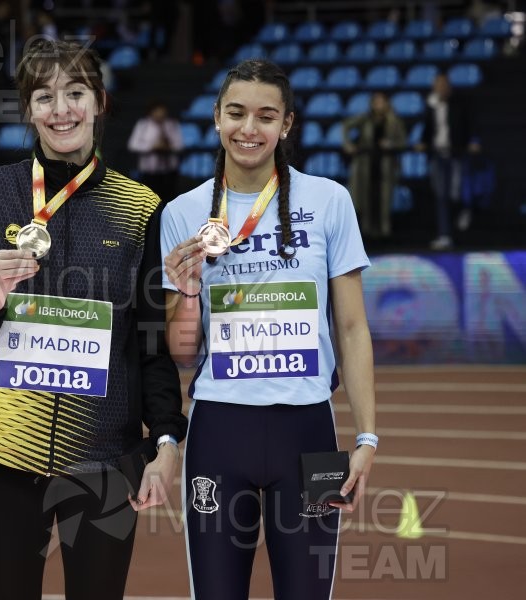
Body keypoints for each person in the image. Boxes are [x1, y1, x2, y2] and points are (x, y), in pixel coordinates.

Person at [0, 39, 188, 600]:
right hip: (7, 455)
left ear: (99, 102)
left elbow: (150, 341)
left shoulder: (141, 207)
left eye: (75, 93)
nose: (62, 110)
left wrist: (168, 439)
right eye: (44, 96)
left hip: (106, 455)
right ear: (27, 109)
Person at [160, 59, 377, 600]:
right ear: (216, 118)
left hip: (310, 434)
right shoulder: (184, 213)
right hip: (217, 432)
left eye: (265, 116)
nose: (248, 129)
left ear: (286, 124)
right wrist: (187, 292)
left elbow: (351, 326)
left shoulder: (329, 200)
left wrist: (368, 436)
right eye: (236, 113)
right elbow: (182, 353)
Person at [418, 72, 480, 250]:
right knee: (441, 196)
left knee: (456, 193)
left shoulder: (460, 104)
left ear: (449, 87)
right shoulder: (431, 105)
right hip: (438, 155)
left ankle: (465, 214)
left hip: (457, 154)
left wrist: (473, 142)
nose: (441, 88)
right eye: (437, 85)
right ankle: (445, 235)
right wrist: (423, 143)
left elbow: (470, 125)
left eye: (444, 85)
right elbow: (428, 128)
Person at [342, 91, 407, 239]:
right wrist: (348, 144)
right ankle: (366, 233)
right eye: (376, 102)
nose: (379, 105)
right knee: (365, 198)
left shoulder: (394, 121)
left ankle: (385, 233)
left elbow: (402, 142)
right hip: (366, 164)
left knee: (384, 199)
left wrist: (391, 144)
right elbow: (346, 125)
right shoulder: (365, 119)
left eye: (381, 101)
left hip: (386, 165)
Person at [127, 100, 184, 204]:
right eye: (157, 111)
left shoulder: (172, 124)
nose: (160, 113)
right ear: (151, 112)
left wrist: (168, 147)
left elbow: (179, 145)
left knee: (169, 199)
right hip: (149, 171)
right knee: (149, 200)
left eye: (162, 111)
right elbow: (133, 145)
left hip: (169, 171)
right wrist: (152, 147)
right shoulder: (143, 125)